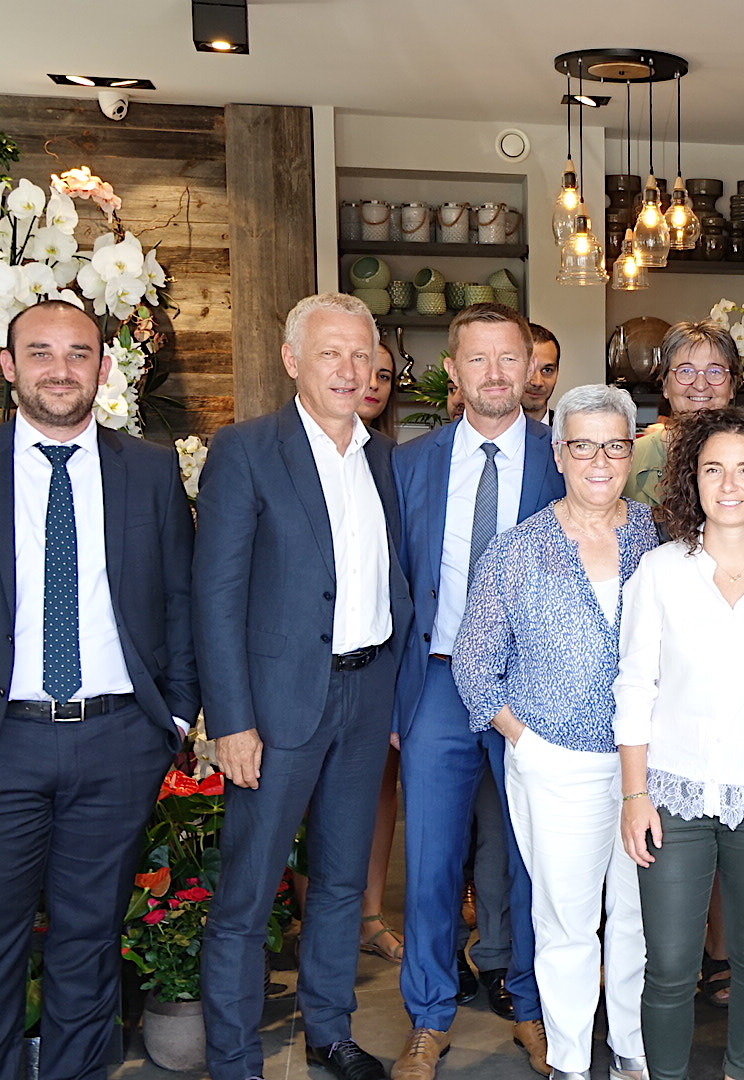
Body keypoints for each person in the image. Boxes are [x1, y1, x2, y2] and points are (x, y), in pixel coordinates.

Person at [0, 299, 197, 1080]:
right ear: (9, 367)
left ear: (103, 368)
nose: (61, 369)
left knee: (89, 949)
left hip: (117, 741)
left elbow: (181, 598)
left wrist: (178, 715)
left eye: (79, 353)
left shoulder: (149, 470)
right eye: (42, 352)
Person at [196, 293, 412, 1080]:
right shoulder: (247, 451)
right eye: (332, 354)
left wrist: (398, 702)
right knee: (248, 896)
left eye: (362, 356)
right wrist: (232, 720)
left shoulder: (387, 456)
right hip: (277, 710)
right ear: (293, 361)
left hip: (365, 700)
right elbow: (216, 596)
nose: (351, 370)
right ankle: (232, 1059)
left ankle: (331, 1031)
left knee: (343, 882)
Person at [454, 384, 659, 1080]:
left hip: (649, 769)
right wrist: (526, 741)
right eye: (582, 444)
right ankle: (571, 1060)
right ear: (558, 450)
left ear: (632, 451)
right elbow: (474, 667)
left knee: (637, 919)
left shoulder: (658, 536)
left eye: (614, 444)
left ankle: (631, 1049)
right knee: (568, 923)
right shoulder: (518, 550)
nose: (598, 459)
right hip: (556, 763)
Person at [616, 409, 744, 1080]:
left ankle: (739, 1073)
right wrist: (636, 795)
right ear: (692, 483)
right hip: (672, 791)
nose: (728, 484)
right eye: (712, 470)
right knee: (670, 963)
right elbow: (635, 686)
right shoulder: (661, 571)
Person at [391, 304, 563, 1080]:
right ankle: (428, 1017)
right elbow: (394, 586)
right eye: (478, 361)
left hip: (533, 684)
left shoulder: (565, 460)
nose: (496, 374)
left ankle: (532, 1004)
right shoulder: (409, 463)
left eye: (509, 359)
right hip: (438, 676)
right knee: (429, 857)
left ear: (531, 370)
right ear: (452, 374)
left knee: (536, 856)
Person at [355, 340, 403, 965]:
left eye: (384, 375)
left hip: (382, 657)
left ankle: (368, 914)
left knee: (378, 792)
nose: (370, 381)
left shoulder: (395, 460)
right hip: (304, 669)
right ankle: (322, 921)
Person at [622, 321, 739, 507]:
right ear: (665, 385)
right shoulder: (629, 459)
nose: (700, 385)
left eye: (714, 371)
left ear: (732, 386)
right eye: (686, 371)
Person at [523, 322, 561, 425]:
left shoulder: (570, 432)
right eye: (528, 370)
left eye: (547, 370)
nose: (537, 382)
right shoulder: (488, 434)